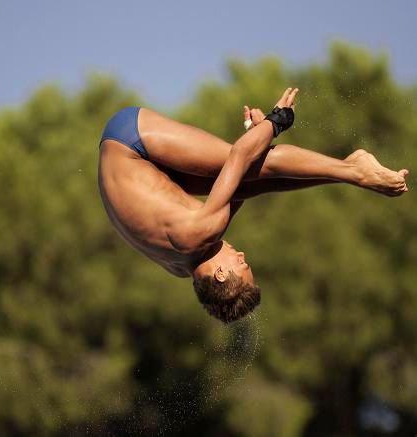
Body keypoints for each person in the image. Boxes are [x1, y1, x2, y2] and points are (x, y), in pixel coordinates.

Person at [97, 88, 409, 323]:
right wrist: (256, 136)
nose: (243, 256)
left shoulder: (197, 235)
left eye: (242, 265)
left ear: (220, 275)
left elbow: (239, 158)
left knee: (259, 161)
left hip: (133, 140)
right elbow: (243, 188)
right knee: (254, 175)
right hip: (135, 161)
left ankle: (355, 171)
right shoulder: (181, 266)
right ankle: (349, 171)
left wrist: (276, 121)